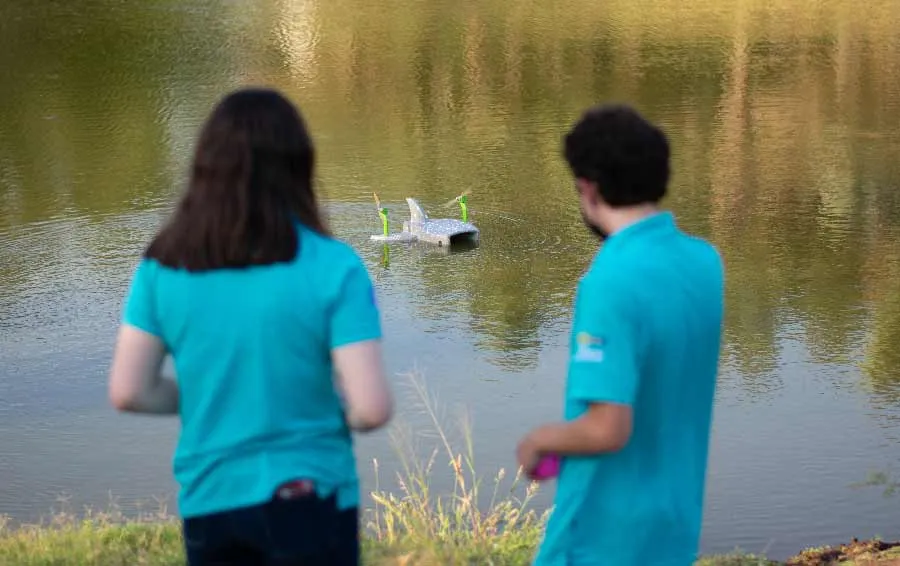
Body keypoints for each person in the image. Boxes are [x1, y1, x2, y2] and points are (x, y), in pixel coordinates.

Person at [107, 87, 393, 565]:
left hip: (212, 501)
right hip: (312, 497)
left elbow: (128, 391)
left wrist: (207, 396)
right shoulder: (334, 265)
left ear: (204, 168)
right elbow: (371, 409)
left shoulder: (162, 266)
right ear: (300, 165)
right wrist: (310, 404)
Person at [516, 104, 725, 566]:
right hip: (673, 526)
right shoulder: (705, 263)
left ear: (586, 187)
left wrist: (539, 441)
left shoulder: (608, 280)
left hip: (602, 536)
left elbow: (608, 428)